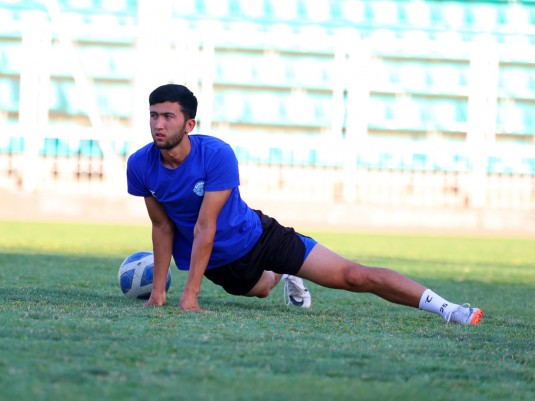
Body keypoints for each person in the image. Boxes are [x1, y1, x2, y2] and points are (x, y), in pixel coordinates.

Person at [126, 83, 484, 325]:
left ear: (189, 124)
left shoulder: (216, 154)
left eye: (167, 116)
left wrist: (189, 295)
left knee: (354, 275)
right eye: (153, 115)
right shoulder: (140, 164)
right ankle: (285, 273)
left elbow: (206, 225)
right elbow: (162, 226)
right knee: (264, 289)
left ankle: (450, 310)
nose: (158, 124)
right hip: (223, 265)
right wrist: (158, 293)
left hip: (260, 235)